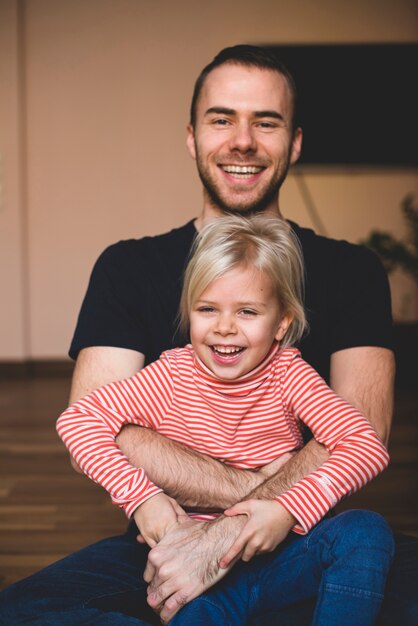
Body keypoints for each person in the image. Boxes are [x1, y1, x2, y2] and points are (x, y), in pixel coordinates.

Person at [0, 44, 416, 625]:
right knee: (22, 611)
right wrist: (195, 523)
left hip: (296, 537)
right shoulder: (129, 268)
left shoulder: (351, 272)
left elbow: (360, 436)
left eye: (265, 122)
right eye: (221, 119)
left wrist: (247, 521)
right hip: (168, 538)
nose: (242, 140)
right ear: (192, 137)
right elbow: (94, 425)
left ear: (294, 142)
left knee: (380, 560)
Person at [56, 214, 393, 626]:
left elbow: (365, 443)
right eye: (207, 309)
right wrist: (143, 500)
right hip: (197, 574)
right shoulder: (171, 375)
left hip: (285, 556)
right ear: (189, 312)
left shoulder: (289, 372)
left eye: (248, 311)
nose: (224, 328)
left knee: (366, 531)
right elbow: (78, 421)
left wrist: (285, 508)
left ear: (282, 322)